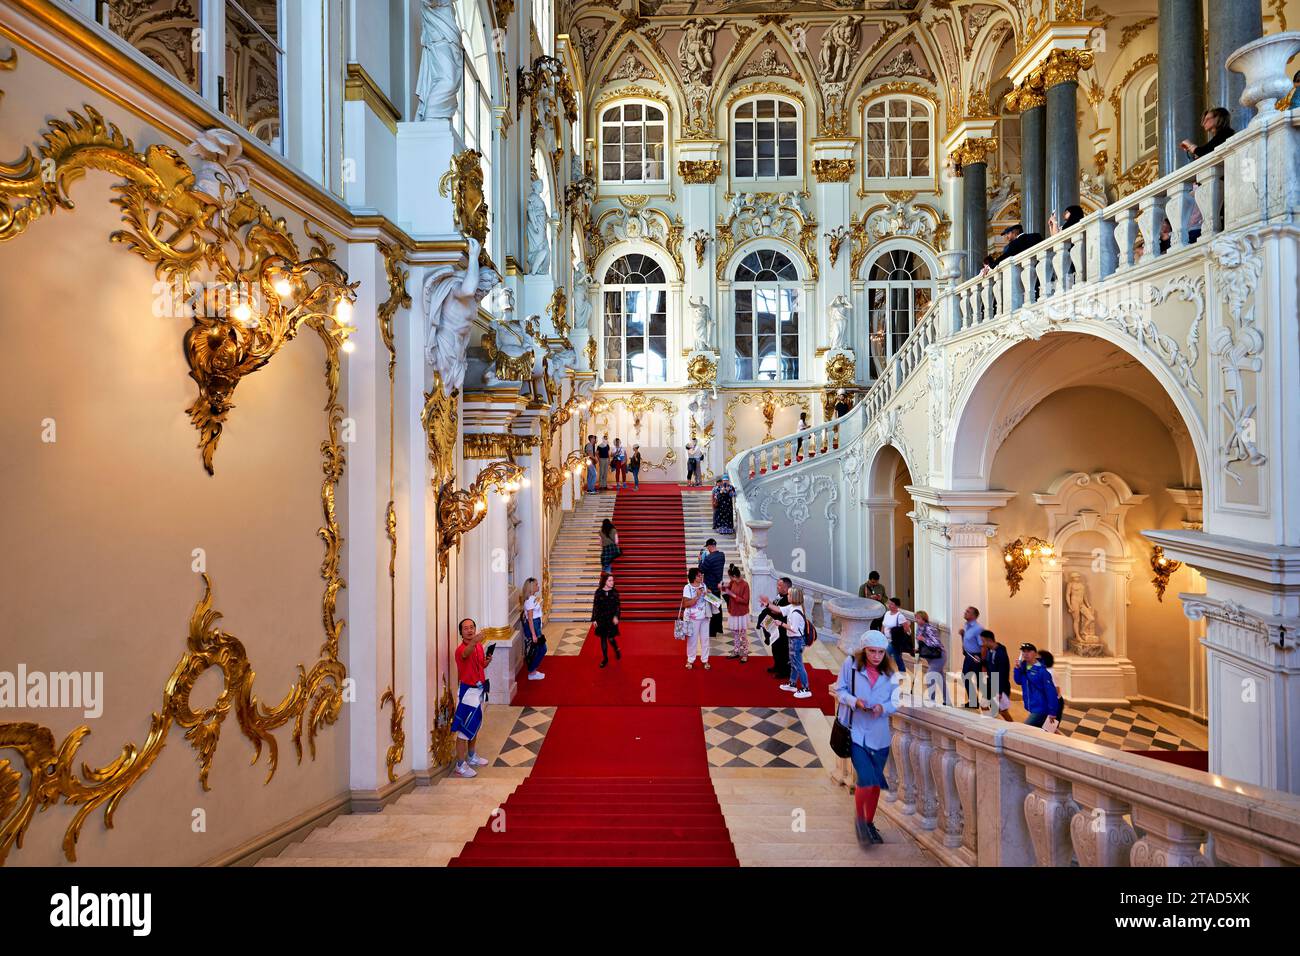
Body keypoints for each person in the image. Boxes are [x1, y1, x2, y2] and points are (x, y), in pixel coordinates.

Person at [832, 630, 900, 846]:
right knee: (866, 778)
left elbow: (896, 701)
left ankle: (869, 823)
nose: (877, 656)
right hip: (856, 733)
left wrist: (883, 707)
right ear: (864, 650)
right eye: (872, 651)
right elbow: (839, 690)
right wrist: (855, 702)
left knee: (875, 784)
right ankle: (860, 821)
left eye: (881, 652)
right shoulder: (850, 665)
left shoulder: (891, 673)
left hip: (880, 736)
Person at [452, 617, 491, 777]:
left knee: (475, 725)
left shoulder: (479, 647)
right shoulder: (461, 649)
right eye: (466, 628)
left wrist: (487, 662)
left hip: (480, 689)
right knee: (463, 731)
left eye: (472, 627)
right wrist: (474, 641)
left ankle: (471, 755)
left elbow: (480, 665)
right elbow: (466, 654)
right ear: (461, 632)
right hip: (468, 693)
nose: (469, 630)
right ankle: (460, 765)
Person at [775, 586, 813, 699]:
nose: (787, 596)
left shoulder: (796, 612)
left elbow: (794, 629)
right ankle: (792, 684)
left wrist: (780, 624)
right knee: (794, 663)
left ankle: (806, 688)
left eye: (789, 595)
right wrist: (767, 603)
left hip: (797, 640)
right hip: (793, 639)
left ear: (795, 597)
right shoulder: (792, 607)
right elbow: (780, 610)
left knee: (798, 664)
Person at [1014, 642, 1059, 728]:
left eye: (1028, 651)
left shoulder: (1042, 671)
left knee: (1025, 729)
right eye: (1023, 651)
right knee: (1043, 731)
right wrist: (1017, 669)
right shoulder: (1023, 666)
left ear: (1035, 653)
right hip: (1032, 706)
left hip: (1041, 708)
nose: (1025, 654)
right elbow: (1018, 681)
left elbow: (1051, 692)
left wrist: (1052, 712)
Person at [757, 576, 793, 680]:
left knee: (782, 650)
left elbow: (778, 611)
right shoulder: (779, 595)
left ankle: (784, 671)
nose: (777, 587)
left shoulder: (788, 598)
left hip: (782, 628)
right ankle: (777, 666)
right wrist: (767, 604)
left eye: (780, 585)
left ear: (786, 588)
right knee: (775, 647)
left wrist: (768, 604)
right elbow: (774, 605)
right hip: (774, 626)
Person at [910, 609, 946, 705]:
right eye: (916, 618)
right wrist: (918, 649)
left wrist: (924, 639)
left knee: (930, 675)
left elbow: (936, 643)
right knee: (940, 678)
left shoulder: (930, 628)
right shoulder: (919, 628)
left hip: (939, 656)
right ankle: (946, 700)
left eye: (918, 618)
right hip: (930, 657)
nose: (916, 620)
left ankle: (931, 699)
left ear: (924, 619)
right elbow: (922, 644)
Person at [681, 567, 711, 669]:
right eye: (699, 575)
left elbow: (707, 599)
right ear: (694, 577)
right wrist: (697, 596)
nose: (701, 577)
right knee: (692, 641)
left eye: (701, 575)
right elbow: (686, 604)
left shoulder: (704, 585)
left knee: (705, 640)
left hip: (704, 617)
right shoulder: (687, 588)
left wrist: (709, 595)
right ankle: (690, 660)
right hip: (692, 619)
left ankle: (705, 660)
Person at [591, 571, 622, 668]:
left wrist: (616, 616)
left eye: (612, 580)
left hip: (611, 619)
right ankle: (605, 658)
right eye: (610, 580)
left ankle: (616, 648)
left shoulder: (615, 592)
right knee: (603, 639)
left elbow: (618, 606)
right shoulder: (598, 592)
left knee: (611, 638)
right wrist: (594, 619)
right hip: (601, 619)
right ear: (605, 581)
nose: (612, 582)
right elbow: (595, 606)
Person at [721, 564, 751, 662]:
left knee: (742, 634)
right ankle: (736, 651)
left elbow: (745, 601)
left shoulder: (745, 585)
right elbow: (726, 589)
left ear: (734, 576)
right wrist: (721, 587)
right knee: (735, 633)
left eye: (730, 577)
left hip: (741, 613)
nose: (730, 579)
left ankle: (745, 653)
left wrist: (733, 595)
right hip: (733, 611)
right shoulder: (732, 582)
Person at [981, 630, 1012, 722]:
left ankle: (1013, 727)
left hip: (1000, 685)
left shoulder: (1001, 653)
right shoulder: (990, 651)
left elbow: (1003, 673)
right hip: (991, 682)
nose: (982, 644)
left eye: (983, 641)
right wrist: (981, 661)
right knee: (984, 705)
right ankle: (990, 724)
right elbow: (989, 665)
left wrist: (1000, 691)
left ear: (989, 640)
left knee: (1002, 711)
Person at [699, 538, 726, 636]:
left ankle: (712, 631)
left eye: (707, 547)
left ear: (710, 546)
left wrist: (700, 560)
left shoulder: (709, 558)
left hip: (710, 586)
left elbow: (701, 570)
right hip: (718, 585)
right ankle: (719, 628)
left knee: (712, 609)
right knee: (718, 607)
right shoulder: (722, 556)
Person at [520, 577, 546, 681]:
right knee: (540, 649)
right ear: (531, 587)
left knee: (539, 649)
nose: (538, 586)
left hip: (536, 624)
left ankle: (533, 670)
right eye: (536, 584)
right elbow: (530, 618)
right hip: (533, 626)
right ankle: (531, 671)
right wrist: (534, 634)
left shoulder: (532, 598)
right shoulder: (530, 601)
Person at [959, 606, 984, 709]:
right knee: (965, 676)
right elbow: (968, 640)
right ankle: (973, 701)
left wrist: (982, 660)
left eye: (968, 612)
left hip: (976, 656)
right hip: (968, 656)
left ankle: (992, 701)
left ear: (974, 615)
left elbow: (982, 645)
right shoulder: (966, 625)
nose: (965, 612)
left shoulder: (978, 628)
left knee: (979, 681)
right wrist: (962, 636)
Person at [881, 596, 911, 673]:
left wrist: (901, 634)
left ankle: (883, 672)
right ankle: (902, 671)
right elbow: (883, 624)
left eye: (892, 604)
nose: (889, 605)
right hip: (886, 639)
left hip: (894, 641)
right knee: (897, 657)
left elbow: (907, 628)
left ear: (897, 606)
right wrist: (881, 634)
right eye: (889, 603)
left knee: (885, 655)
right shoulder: (887, 613)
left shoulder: (900, 616)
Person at [1039, 650, 1067, 732]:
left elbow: (1056, 691)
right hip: (1049, 703)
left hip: (1055, 703)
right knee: (1045, 729)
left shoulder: (1050, 672)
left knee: (1050, 730)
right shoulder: (1044, 671)